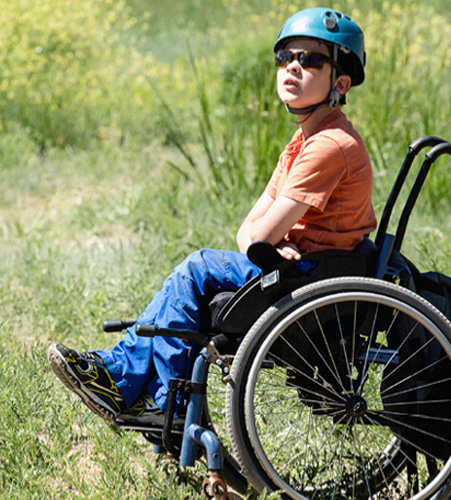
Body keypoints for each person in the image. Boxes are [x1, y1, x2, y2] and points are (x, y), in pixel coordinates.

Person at [48, 7, 376, 421]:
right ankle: (140, 393)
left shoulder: (330, 145)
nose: (292, 67)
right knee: (195, 280)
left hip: (314, 277)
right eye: (284, 57)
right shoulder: (302, 141)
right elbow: (249, 233)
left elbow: (259, 238)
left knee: (196, 270)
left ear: (340, 82)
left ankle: (139, 391)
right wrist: (272, 241)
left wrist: (271, 241)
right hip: (296, 268)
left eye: (309, 60)